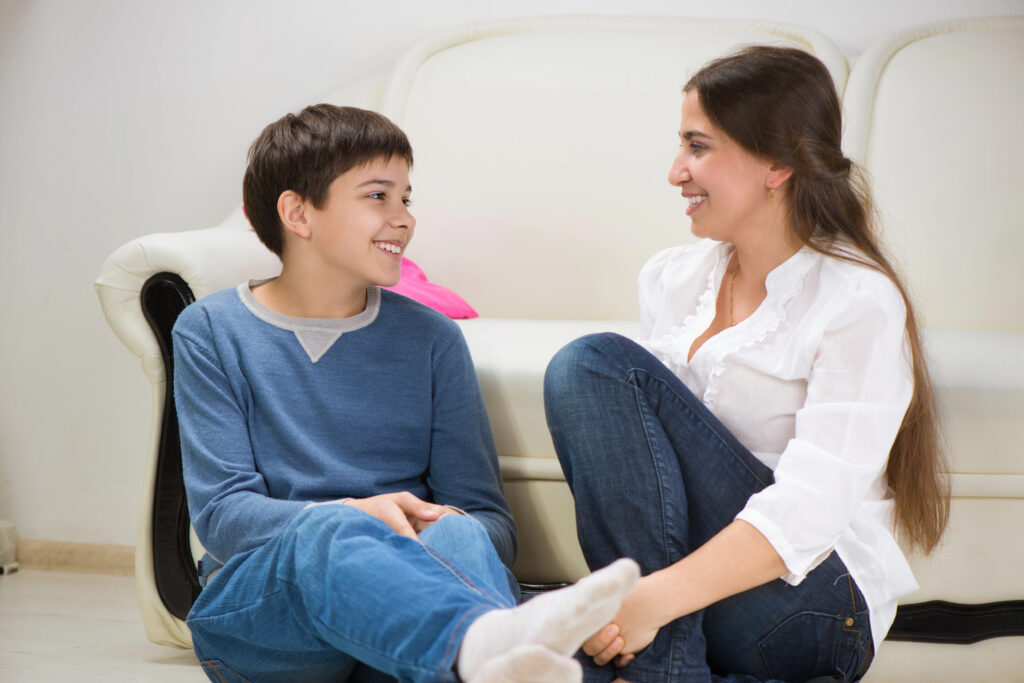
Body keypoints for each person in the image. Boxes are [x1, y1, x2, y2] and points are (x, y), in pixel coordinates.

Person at [172, 103, 640, 683]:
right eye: (377, 197)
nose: (404, 219)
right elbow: (222, 517)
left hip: (398, 631)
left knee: (462, 529)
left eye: (406, 199)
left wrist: (428, 527)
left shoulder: (432, 340)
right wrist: (358, 517)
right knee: (331, 531)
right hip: (266, 628)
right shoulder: (211, 330)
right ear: (297, 212)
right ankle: (501, 648)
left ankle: (476, 656)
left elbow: (490, 520)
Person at [543, 46, 949, 683]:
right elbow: (647, 488)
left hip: (812, 606)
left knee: (590, 364)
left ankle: (654, 665)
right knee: (522, 657)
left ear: (778, 165)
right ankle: (668, 668)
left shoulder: (856, 299)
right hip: (699, 604)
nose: (676, 172)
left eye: (698, 147)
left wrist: (647, 603)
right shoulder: (671, 280)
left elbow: (809, 510)